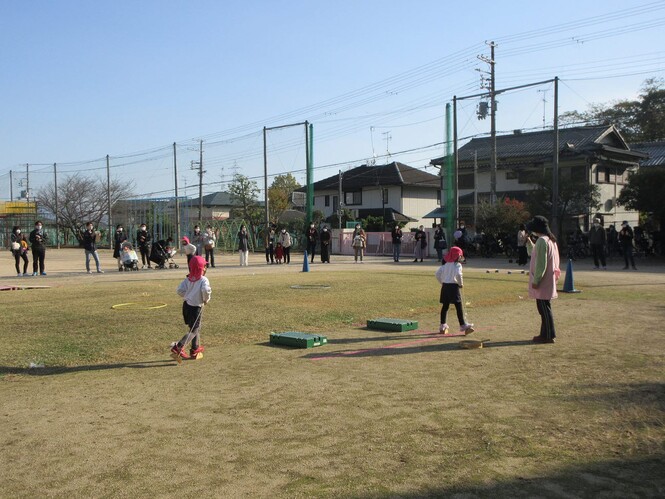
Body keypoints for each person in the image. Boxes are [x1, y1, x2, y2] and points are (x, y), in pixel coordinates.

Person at [526, 215, 561, 344]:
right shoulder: (550, 240)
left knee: (544, 309)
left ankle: (548, 335)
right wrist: (530, 243)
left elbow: (541, 263)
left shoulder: (542, 241)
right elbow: (535, 253)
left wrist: (536, 280)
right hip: (548, 279)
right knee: (545, 308)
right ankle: (545, 333)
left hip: (543, 280)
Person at [170, 256, 211, 360]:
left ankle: (194, 348)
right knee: (194, 330)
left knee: (195, 328)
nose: (206, 268)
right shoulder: (203, 280)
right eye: (205, 266)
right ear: (202, 268)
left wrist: (188, 296)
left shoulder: (188, 279)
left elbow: (179, 290)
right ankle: (179, 346)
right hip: (195, 308)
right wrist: (206, 299)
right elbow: (206, 291)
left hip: (187, 306)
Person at [435, 246, 474, 335]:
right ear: (457, 256)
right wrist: (460, 284)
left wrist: (442, 282)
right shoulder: (457, 265)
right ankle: (462, 325)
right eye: (460, 256)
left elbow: (437, 274)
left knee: (445, 306)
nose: (461, 257)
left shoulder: (445, 265)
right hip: (453, 287)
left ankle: (442, 325)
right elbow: (458, 275)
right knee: (458, 306)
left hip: (445, 287)